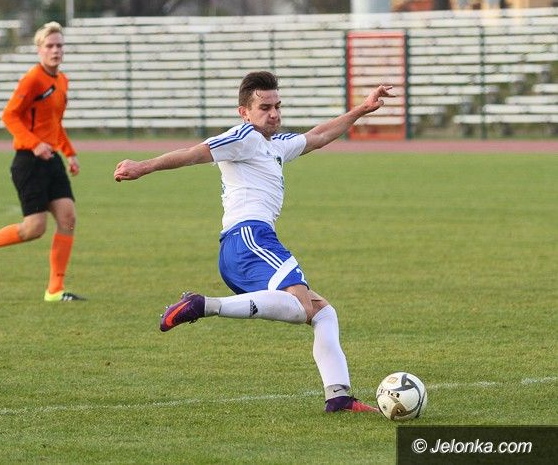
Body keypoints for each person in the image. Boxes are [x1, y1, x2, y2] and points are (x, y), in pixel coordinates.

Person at [114, 71, 393, 412]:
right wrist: (143, 166)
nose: (274, 114)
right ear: (244, 112)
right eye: (264, 108)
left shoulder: (275, 145)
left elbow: (318, 136)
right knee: (305, 307)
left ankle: (339, 397)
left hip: (247, 244)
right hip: (249, 238)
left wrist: (361, 109)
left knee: (323, 313)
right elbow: (194, 153)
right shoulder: (242, 136)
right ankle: (203, 305)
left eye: (277, 106)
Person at [0, 21, 84, 302]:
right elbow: (9, 115)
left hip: (52, 159)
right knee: (34, 229)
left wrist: (69, 152)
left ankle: (55, 290)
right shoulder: (32, 79)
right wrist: (34, 144)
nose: (56, 50)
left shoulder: (62, 80)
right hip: (28, 161)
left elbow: (54, 123)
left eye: (59, 45)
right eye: (50, 46)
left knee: (68, 217)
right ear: (39, 49)